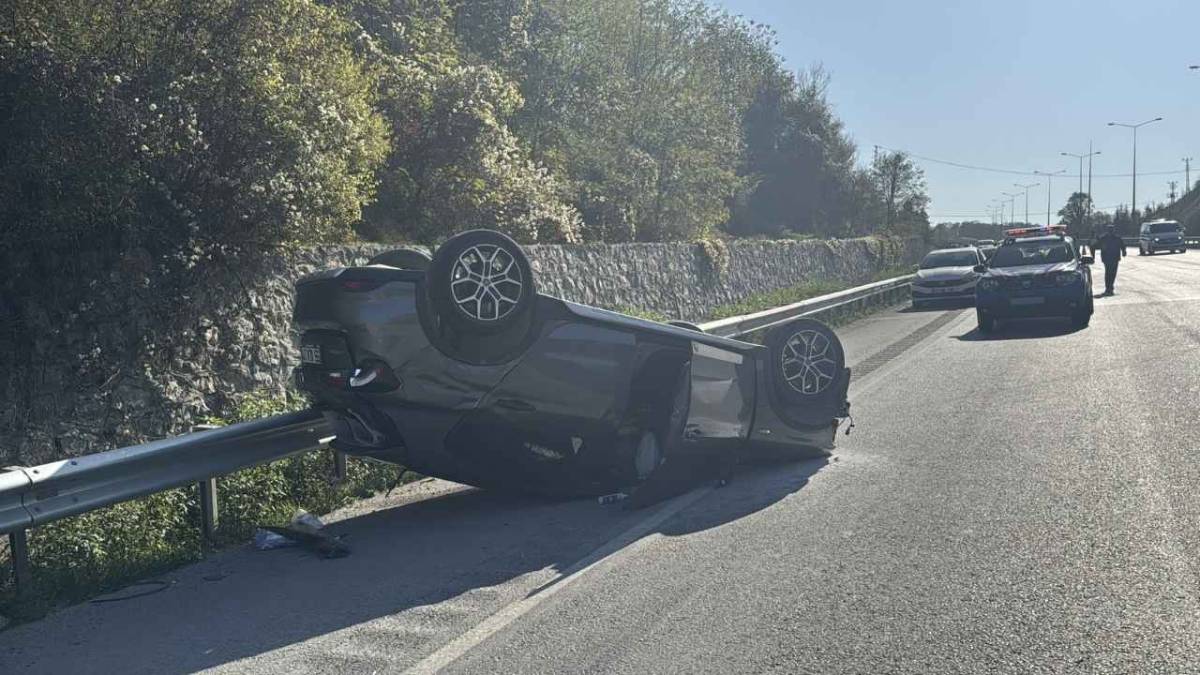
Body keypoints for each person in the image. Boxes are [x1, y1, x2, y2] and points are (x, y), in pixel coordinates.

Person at [1093, 225, 1127, 295]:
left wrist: (1124, 251)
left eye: (1111, 229)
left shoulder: (1114, 238)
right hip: (1109, 258)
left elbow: (1122, 245)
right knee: (1109, 273)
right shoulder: (1104, 238)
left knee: (1111, 273)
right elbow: (1096, 246)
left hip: (1112, 258)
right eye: (1110, 230)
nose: (1111, 231)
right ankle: (1109, 288)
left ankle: (1109, 288)